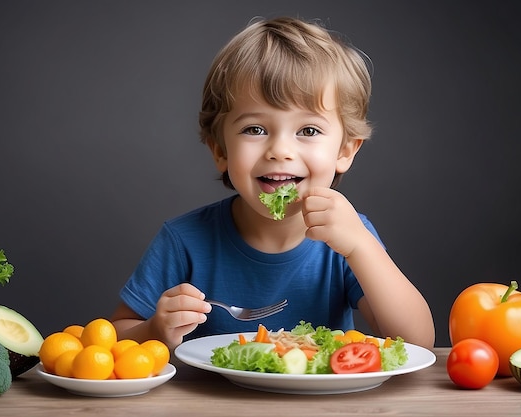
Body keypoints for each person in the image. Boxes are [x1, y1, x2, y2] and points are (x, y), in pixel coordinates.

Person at [110, 16, 435, 350]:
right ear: (220, 150)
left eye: (308, 131)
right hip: (211, 402)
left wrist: (361, 247)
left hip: (324, 404)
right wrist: (154, 330)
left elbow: (417, 342)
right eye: (255, 129)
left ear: (345, 150)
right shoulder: (184, 241)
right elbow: (117, 332)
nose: (280, 151)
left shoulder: (348, 239)